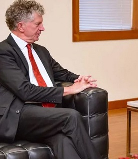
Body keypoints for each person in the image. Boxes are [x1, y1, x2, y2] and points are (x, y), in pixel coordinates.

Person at [0, 0, 101, 159]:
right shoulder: (4, 52)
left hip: (44, 115)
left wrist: (80, 80)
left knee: (61, 140)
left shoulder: (40, 51)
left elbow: (63, 74)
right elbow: (25, 91)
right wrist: (69, 90)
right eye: (37, 24)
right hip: (19, 116)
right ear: (21, 26)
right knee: (71, 116)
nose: (42, 28)